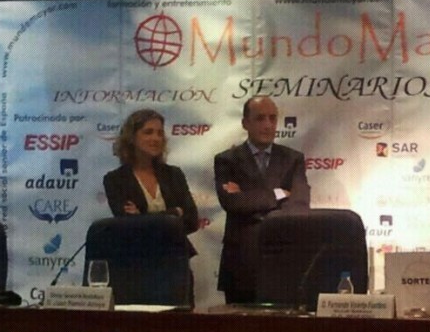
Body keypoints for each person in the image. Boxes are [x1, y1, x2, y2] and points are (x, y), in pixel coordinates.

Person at [214, 95, 310, 304]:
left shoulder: (293, 159)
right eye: (260, 118)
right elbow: (233, 203)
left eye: (272, 118)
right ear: (245, 123)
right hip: (241, 264)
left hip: (283, 260)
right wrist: (279, 194)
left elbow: (300, 204)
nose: (267, 125)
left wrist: (249, 197)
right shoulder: (226, 160)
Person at [103, 109, 199, 298]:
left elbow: (191, 220)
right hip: (135, 267)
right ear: (131, 137)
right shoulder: (115, 180)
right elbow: (129, 226)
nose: (156, 138)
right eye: (148, 132)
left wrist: (143, 216)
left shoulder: (174, 175)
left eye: (160, 133)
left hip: (175, 265)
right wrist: (173, 213)